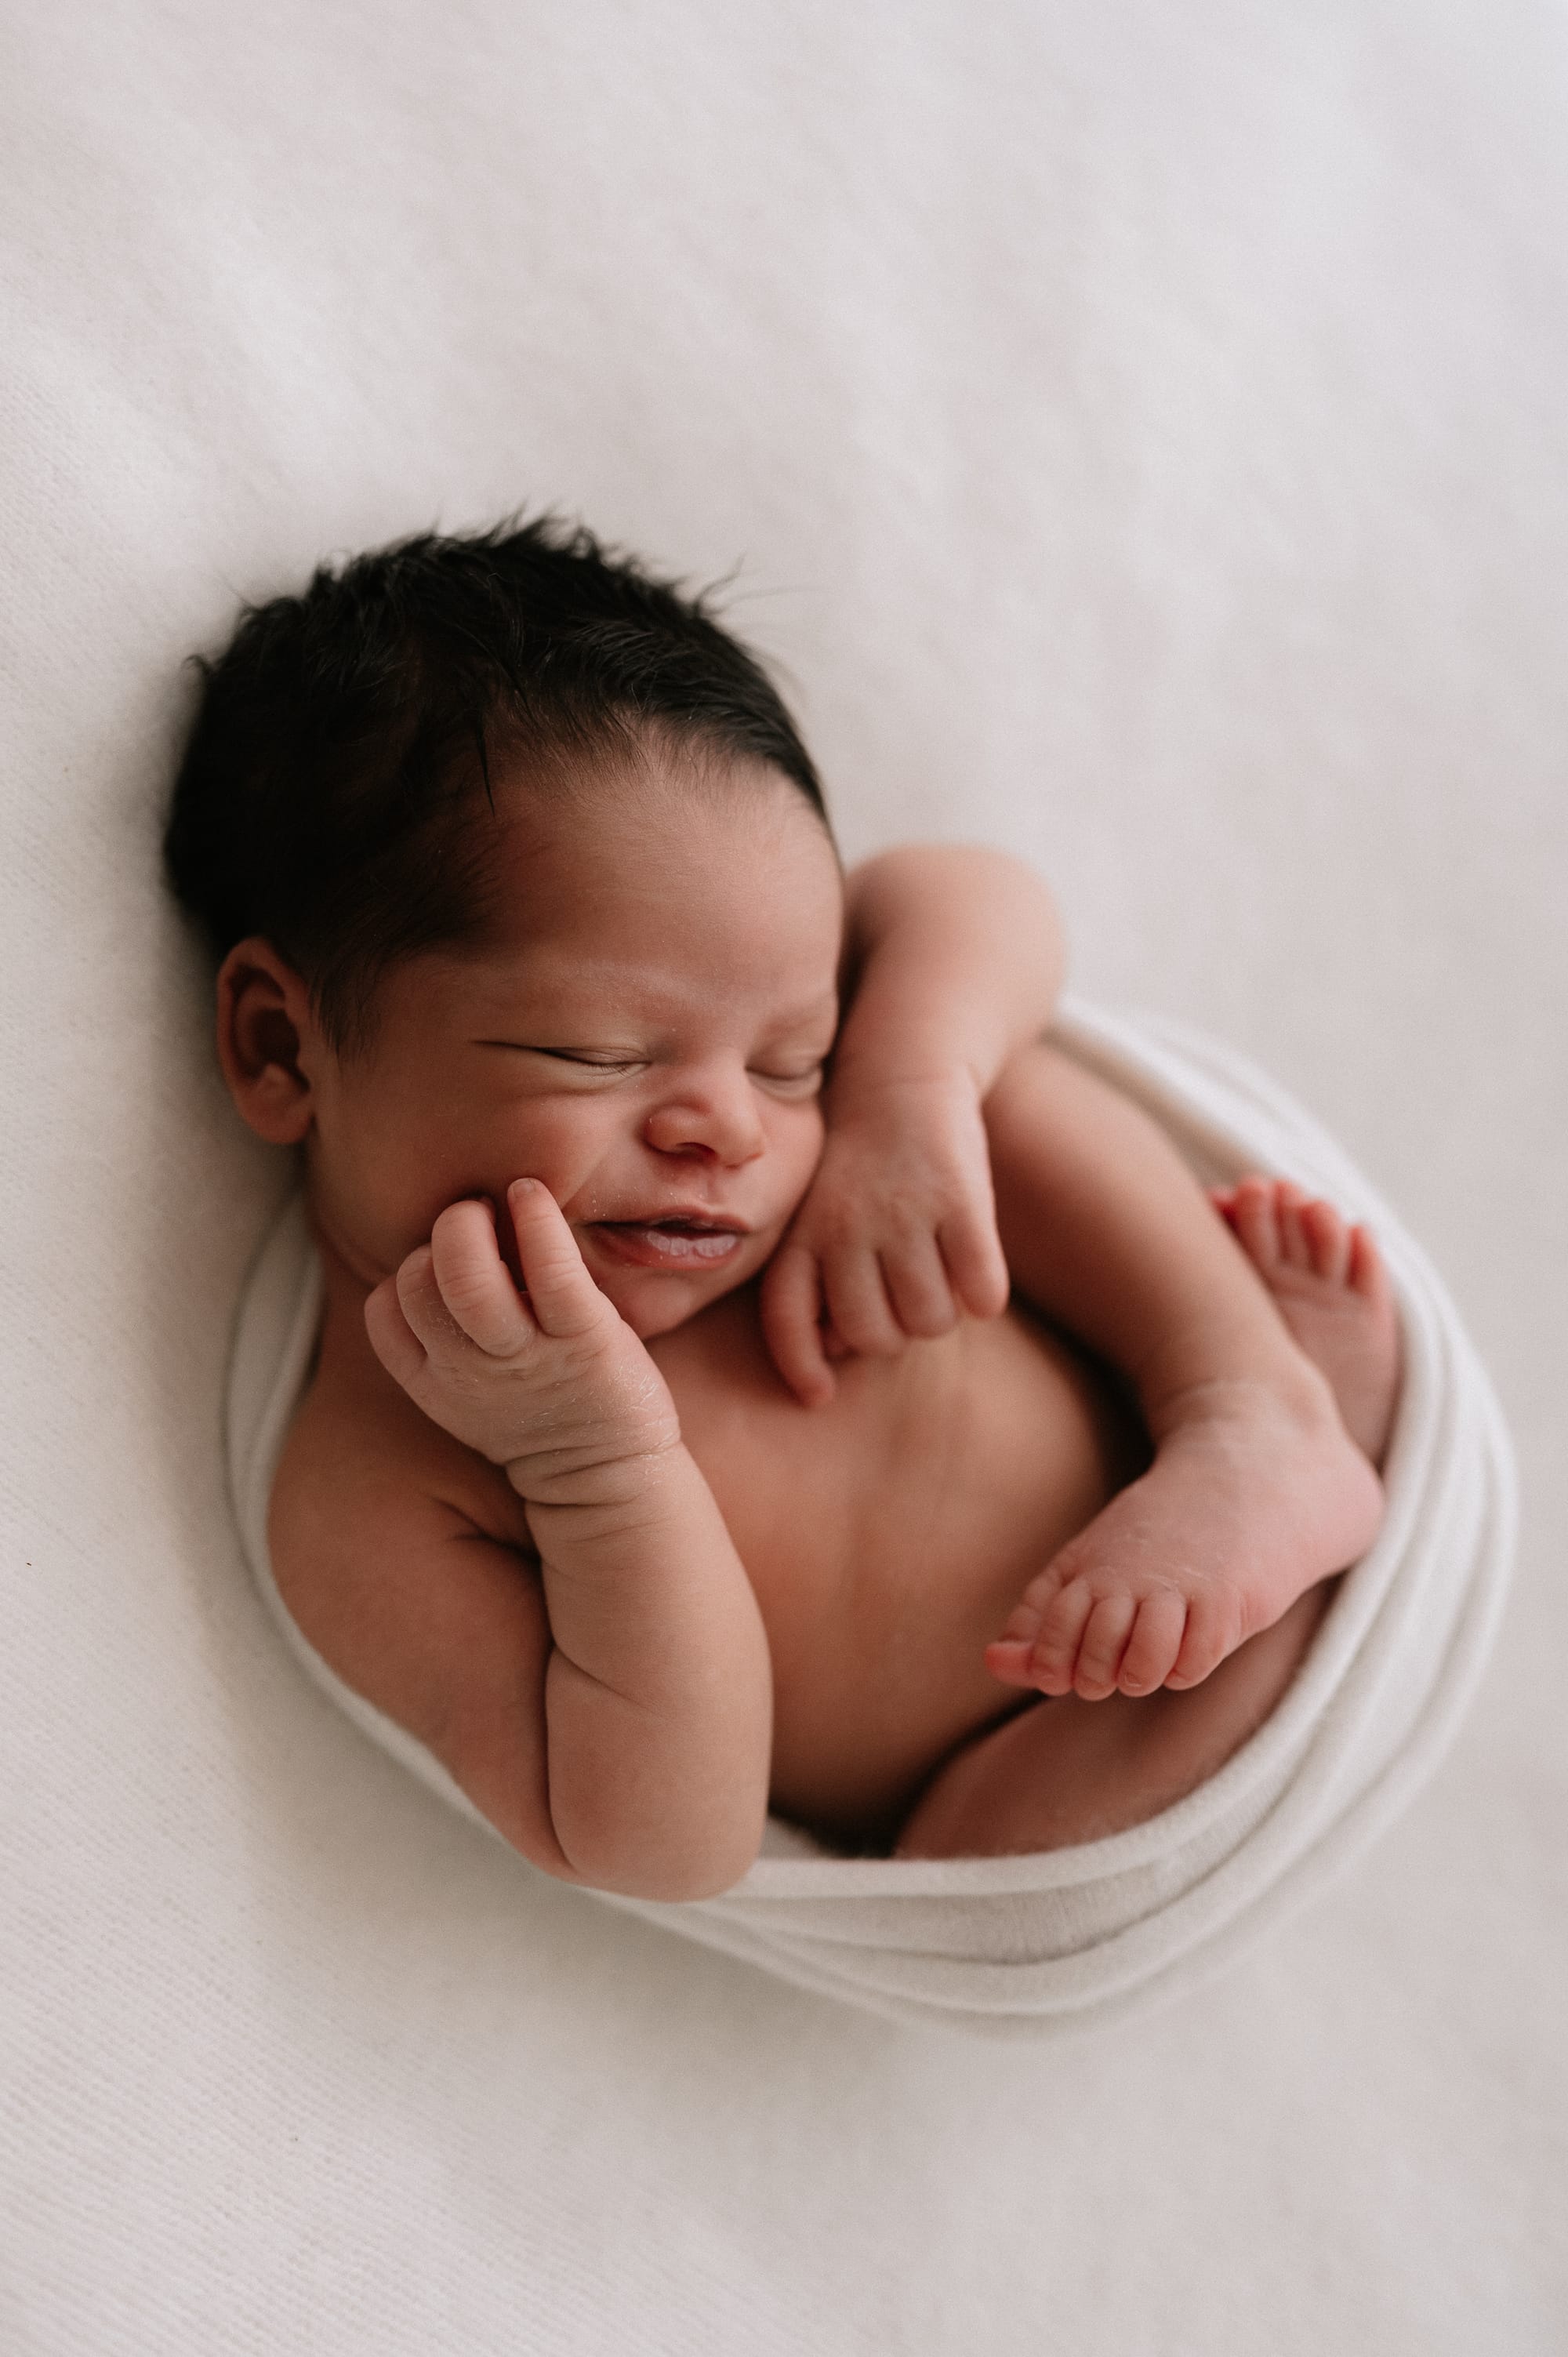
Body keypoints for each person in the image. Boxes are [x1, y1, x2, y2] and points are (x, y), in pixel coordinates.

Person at [166, 519, 1400, 1898]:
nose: (730, 1129)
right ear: (285, 1049)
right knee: (981, 1888)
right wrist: (595, 1468)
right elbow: (664, 1842)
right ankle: (1321, 1454)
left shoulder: (816, 1140)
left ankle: (1241, 1392)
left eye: (783, 1058)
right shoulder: (374, 1488)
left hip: (1152, 1403)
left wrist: (894, 1093)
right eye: (601, 1053)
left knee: (966, 1064)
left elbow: (976, 892)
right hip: (1058, 1734)